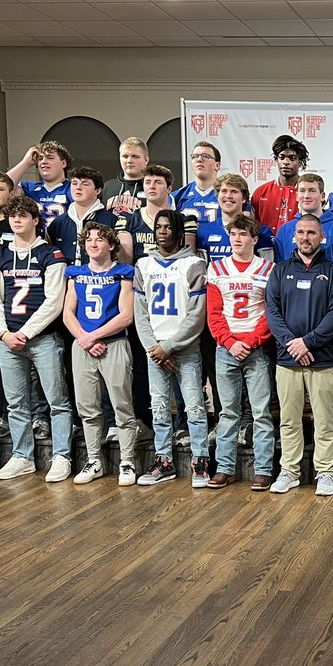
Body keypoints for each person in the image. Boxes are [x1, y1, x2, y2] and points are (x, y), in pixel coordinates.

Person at [0, 195, 73, 482]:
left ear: (35, 220)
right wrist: (3, 333)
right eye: (13, 216)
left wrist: (24, 333)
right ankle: (22, 456)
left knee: (57, 401)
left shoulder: (51, 255)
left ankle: (62, 456)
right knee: (14, 403)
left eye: (23, 216)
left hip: (43, 339)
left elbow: (54, 302)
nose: (16, 220)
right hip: (8, 340)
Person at [265, 212, 333, 495]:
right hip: (288, 360)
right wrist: (293, 344)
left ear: (321, 236)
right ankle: (290, 471)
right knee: (289, 420)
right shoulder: (279, 270)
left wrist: (308, 343)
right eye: (300, 232)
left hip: (322, 360)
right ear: (293, 236)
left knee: (324, 420)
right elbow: (272, 313)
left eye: (311, 233)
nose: (305, 237)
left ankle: (325, 472)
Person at [134, 208, 210, 487]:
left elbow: (197, 313)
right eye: (159, 226)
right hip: (154, 350)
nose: (162, 231)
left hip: (185, 349)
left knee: (194, 407)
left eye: (168, 227)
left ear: (179, 233)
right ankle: (163, 461)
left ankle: (200, 461)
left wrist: (170, 346)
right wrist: (154, 347)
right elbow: (140, 313)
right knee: (159, 408)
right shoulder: (144, 265)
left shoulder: (193, 264)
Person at [63, 223, 137, 486]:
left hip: (113, 344)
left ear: (112, 245)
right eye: (89, 240)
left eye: (99, 239)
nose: (93, 243)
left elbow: (126, 315)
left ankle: (127, 461)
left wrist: (94, 336)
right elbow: (67, 313)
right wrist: (84, 339)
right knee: (88, 408)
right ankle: (94, 460)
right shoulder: (74, 273)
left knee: (122, 405)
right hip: (83, 345)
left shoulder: (124, 273)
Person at [206, 214, 276, 491]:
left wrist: (251, 341)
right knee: (228, 412)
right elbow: (213, 313)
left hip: (256, 349)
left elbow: (270, 312)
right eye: (233, 234)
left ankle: (263, 470)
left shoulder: (267, 269)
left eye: (243, 234)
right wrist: (229, 341)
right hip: (226, 348)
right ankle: (224, 468)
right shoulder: (217, 268)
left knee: (261, 413)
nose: (237, 239)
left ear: (254, 239)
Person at [117, 164, 194, 263]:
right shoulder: (128, 219)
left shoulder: (185, 220)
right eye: (148, 182)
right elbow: (125, 263)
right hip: (139, 275)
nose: (152, 187)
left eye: (158, 182)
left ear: (169, 189)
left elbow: (190, 260)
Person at [273, 173, 333, 266]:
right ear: (297, 195)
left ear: (322, 196)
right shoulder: (285, 230)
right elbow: (279, 266)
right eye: (302, 191)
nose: (306, 196)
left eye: (312, 191)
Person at [45, 166, 117, 265]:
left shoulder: (111, 220)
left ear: (98, 190)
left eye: (85, 184)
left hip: (100, 277)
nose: (78, 187)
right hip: (65, 277)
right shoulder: (58, 223)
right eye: (74, 183)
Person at [250, 134, 307, 232]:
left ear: (300, 162)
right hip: (264, 246)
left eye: (292, 158)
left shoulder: (308, 193)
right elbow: (251, 227)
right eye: (282, 157)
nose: (286, 162)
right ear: (276, 160)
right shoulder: (261, 192)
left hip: (298, 246)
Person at [7, 140, 73, 224]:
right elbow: (2, 186)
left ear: (63, 163)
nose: (43, 162)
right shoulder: (28, 188)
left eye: (50, 158)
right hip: (35, 237)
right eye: (40, 158)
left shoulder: (74, 189)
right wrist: (25, 163)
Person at [176, 140, 222, 226]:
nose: (199, 159)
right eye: (195, 156)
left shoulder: (228, 194)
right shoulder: (178, 195)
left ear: (217, 165)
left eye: (206, 156)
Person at [102, 136, 151, 214]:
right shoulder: (107, 187)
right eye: (125, 156)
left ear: (146, 160)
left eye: (135, 156)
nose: (129, 161)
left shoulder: (153, 188)